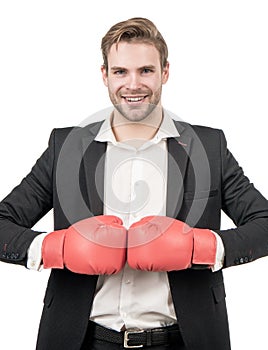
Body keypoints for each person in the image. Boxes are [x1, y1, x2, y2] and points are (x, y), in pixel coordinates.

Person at [0, 17, 268, 350]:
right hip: (82, 339)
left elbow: (264, 223)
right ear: (104, 75)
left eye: (146, 70)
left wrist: (202, 247)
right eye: (120, 72)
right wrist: (57, 249)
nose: (133, 84)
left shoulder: (207, 147)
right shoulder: (67, 148)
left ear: (165, 72)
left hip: (185, 340)